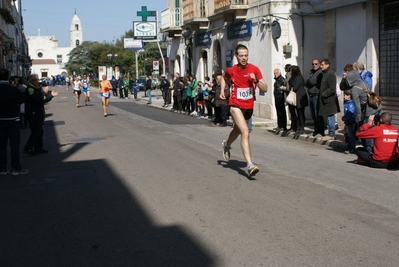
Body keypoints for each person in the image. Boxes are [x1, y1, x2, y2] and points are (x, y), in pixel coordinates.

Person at [220, 44, 268, 177]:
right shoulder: (232, 70)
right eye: (241, 56)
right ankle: (250, 165)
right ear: (236, 57)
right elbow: (224, 76)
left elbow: (265, 88)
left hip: (248, 106)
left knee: (238, 130)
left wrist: (256, 80)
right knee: (245, 132)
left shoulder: (254, 69)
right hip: (235, 104)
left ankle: (227, 144)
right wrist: (223, 90)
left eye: (246, 55)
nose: (244, 58)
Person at [0, 69, 28, 176]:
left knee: (2, 145)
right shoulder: (13, 90)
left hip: (0, 120)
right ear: (8, 77)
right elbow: (22, 99)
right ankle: (15, 167)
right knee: (14, 145)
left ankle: (2, 168)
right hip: (13, 119)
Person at [24, 74, 58, 155]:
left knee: (40, 130)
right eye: (36, 80)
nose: (38, 82)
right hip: (33, 113)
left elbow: (42, 98)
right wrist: (50, 96)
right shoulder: (31, 89)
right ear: (31, 81)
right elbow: (38, 101)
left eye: (38, 80)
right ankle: (28, 148)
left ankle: (38, 147)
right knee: (36, 131)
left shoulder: (37, 89)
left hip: (38, 113)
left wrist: (49, 95)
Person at [318, 59, 340, 141]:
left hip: (329, 100)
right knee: (328, 117)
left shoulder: (330, 74)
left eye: (322, 64)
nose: (321, 66)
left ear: (327, 64)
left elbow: (332, 88)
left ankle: (331, 134)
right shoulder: (324, 74)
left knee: (331, 117)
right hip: (325, 100)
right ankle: (330, 133)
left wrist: (324, 94)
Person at [305, 59, 323, 137]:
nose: (314, 65)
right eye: (313, 64)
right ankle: (316, 130)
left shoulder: (319, 72)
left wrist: (309, 81)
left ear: (319, 64)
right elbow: (306, 82)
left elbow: (312, 81)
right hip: (311, 94)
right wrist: (309, 81)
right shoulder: (311, 72)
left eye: (316, 64)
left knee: (317, 114)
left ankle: (320, 131)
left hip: (316, 94)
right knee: (313, 115)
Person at [289, 65, 308, 139]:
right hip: (297, 98)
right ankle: (299, 127)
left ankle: (301, 127)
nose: (290, 72)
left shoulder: (299, 78)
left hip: (300, 98)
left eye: (291, 71)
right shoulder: (295, 78)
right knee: (298, 113)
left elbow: (295, 88)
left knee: (301, 114)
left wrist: (291, 82)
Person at [273, 68, 287, 135]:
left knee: (282, 112)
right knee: (278, 112)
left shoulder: (282, 80)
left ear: (279, 73)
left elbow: (284, 88)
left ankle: (284, 126)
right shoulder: (277, 80)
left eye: (276, 73)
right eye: (274, 73)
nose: (275, 75)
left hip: (281, 98)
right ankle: (279, 125)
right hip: (277, 98)